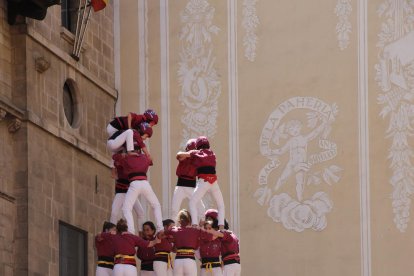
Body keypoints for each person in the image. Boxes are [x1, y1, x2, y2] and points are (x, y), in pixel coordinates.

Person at [177, 136, 225, 229]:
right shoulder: (212, 153)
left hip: (203, 181)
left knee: (192, 203)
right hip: (214, 182)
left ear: (198, 146)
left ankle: (195, 224)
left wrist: (186, 154)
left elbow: (180, 155)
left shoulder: (196, 152)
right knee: (221, 204)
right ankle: (221, 226)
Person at [274, 118, 327, 201]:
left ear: (300, 127)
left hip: (301, 164)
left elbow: (315, 132)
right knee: (282, 178)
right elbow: (281, 150)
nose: (294, 130)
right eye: (291, 129)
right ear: (289, 132)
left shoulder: (304, 139)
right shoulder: (290, 141)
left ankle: (300, 199)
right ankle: (275, 191)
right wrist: (270, 152)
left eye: (296, 127)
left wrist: (323, 124)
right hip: (291, 164)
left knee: (300, 182)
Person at [158, 209, 221, 276]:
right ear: (190, 220)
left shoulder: (174, 229)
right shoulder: (195, 230)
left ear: (179, 220)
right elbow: (213, 236)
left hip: (178, 261)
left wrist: (171, 237)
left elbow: (159, 235)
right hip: (190, 260)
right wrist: (201, 228)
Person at [115, 150, 163, 233]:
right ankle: (160, 228)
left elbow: (115, 157)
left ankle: (131, 231)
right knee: (156, 205)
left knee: (126, 208)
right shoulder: (144, 157)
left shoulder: (127, 158)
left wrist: (125, 154)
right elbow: (151, 160)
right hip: (145, 183)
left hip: (134, 183)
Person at [110, 149, 145, 235]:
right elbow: (113, 175)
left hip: (129, 191)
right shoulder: (118, 159)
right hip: (122, 190)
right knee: (114, 212)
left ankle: (140, 234)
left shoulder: (133, 161)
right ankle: (112, 233)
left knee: (140, 212)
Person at [171, 138, 205, 223]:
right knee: (174, 210)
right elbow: (178, 155)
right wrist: (191, 153)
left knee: (201, 209)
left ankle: (200, 228)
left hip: (192, 187)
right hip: (180, 186)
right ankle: (172, 229)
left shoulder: (198, 159)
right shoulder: (184, 157)